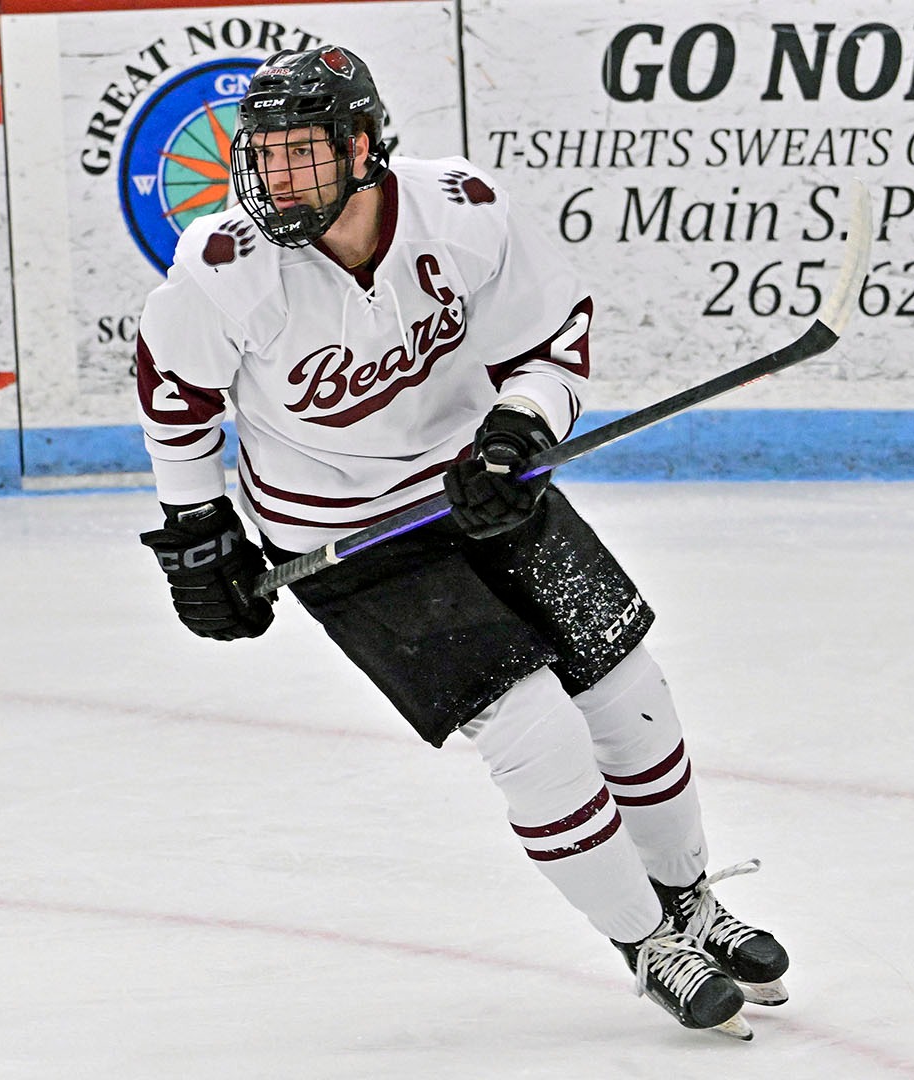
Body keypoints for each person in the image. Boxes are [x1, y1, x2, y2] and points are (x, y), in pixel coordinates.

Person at [133, 44, 788, 1038]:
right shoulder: (226, 272)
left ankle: (692, 898)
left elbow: (551, 345)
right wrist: (197, 527)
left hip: (483, 489)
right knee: (536, 736)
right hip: (350, 538)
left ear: (364, 146)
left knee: (628, 693)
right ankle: (645, 939)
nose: (275, 178)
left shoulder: (464, 209)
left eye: (302, 153)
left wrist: (521, 426)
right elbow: (174, 399)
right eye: (262, 155)